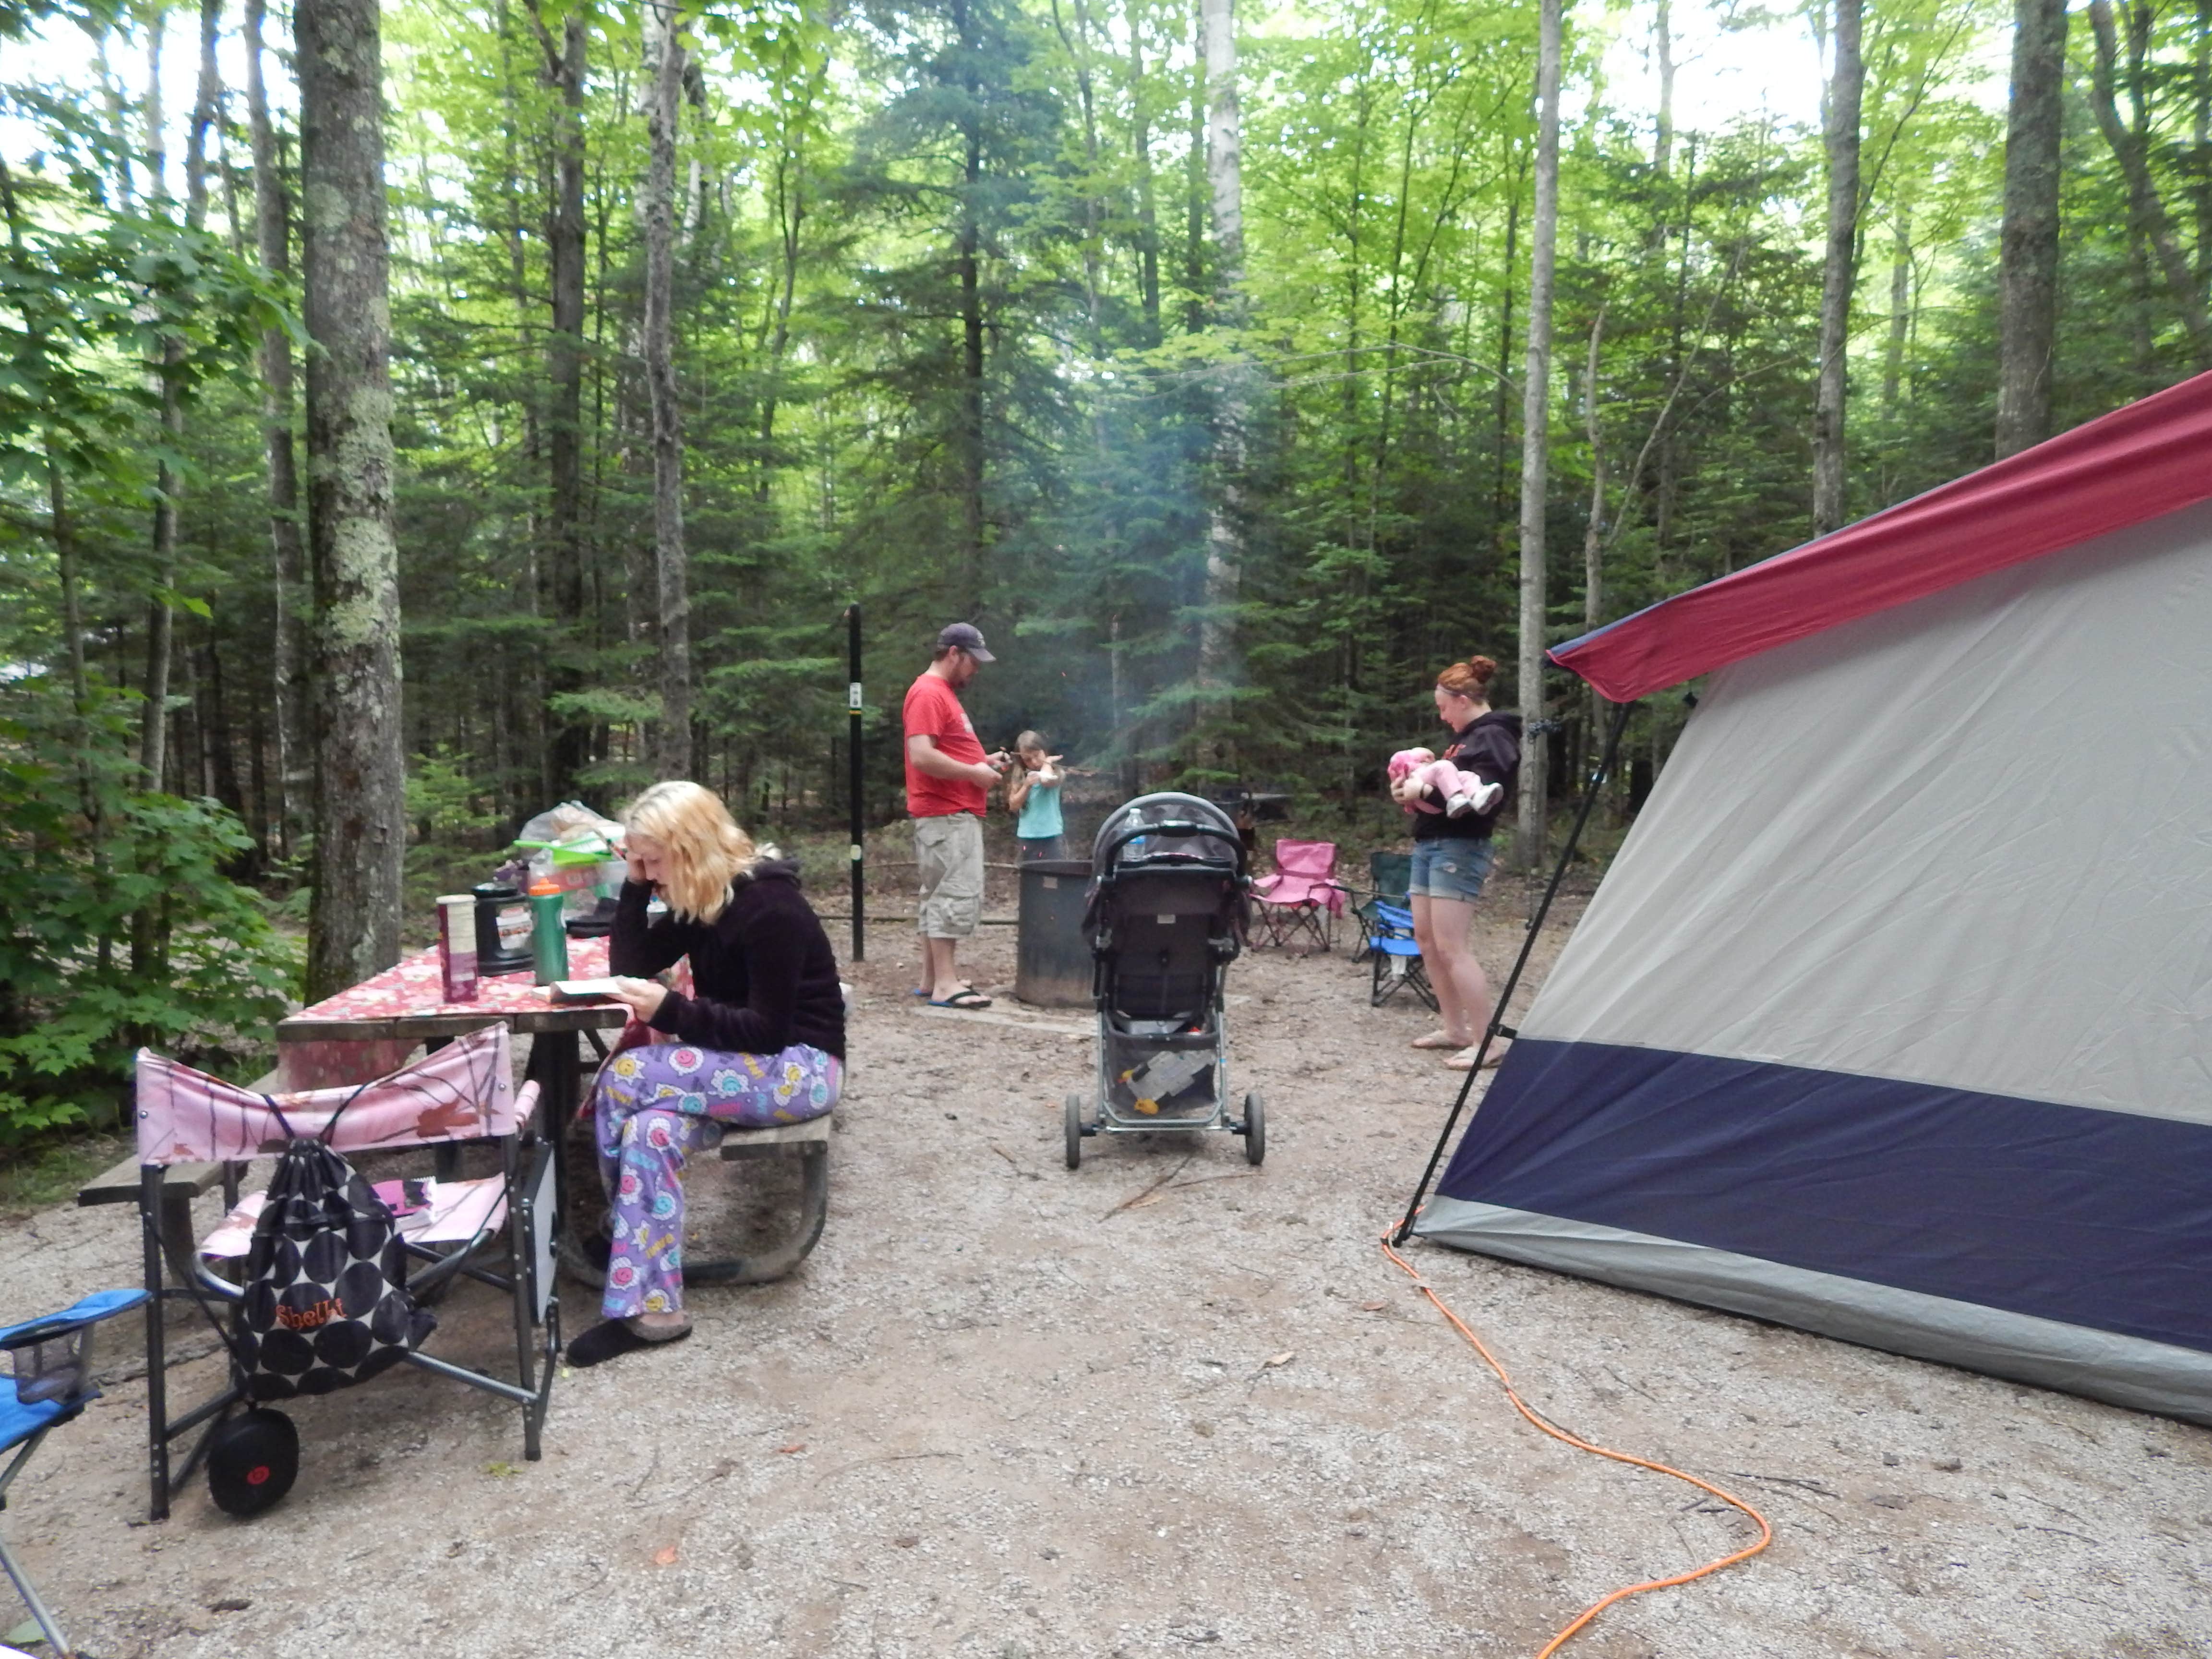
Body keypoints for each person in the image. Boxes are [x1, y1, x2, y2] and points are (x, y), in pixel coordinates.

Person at [568, 780, 846, 1368]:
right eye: (636, 860)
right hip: (745, 1072)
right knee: (651, 1133)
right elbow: (631, 964)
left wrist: (670, 1011)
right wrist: (635, 886)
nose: (645, 870)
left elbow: (767, 1032)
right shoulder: (704, 901)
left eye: (652, 858)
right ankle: (655, 1311)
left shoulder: (771, 907)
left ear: (690, 847)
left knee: (628, 1075)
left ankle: (620, 1227)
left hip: (800, 1069)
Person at [1391, 654, 1521, 1072]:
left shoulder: (1494, 736)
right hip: (1431, 844)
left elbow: (1480, 799)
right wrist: (1411, 793)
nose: (1442, 715)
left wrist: (1423, 792)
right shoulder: (1463, 742)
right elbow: (1440, 795)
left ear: (1462, 700)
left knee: (1452, 946)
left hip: (1460, 848)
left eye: (1444, 707)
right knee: (1427, 942)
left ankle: (1488, 1041)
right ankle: (1455, 1030)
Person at [903, 622, 1009, 1009]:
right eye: (972, 661)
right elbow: (922, 755)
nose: (975, 670)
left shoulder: (939, 693)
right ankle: (947, 986)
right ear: (953, 653)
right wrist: (974, 773)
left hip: (947, 813)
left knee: (937, 895)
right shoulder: (929, 693)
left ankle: (934, 980)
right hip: (948, 814)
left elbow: (942, 749)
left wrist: (981, 761)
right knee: (954, 893)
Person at [1005, 730, 1065, 862]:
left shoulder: (1057, 772)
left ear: (1044, 750)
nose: (1034, 762)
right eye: (1028, 760)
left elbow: (1046, 781)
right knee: (1031, 878)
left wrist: (1048, 762)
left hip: (1052, 835)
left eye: (1037, 756)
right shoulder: (1020, 777)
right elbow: (1014, 806)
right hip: (1028, 837)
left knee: (1055, 877)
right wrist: (1027, 786)